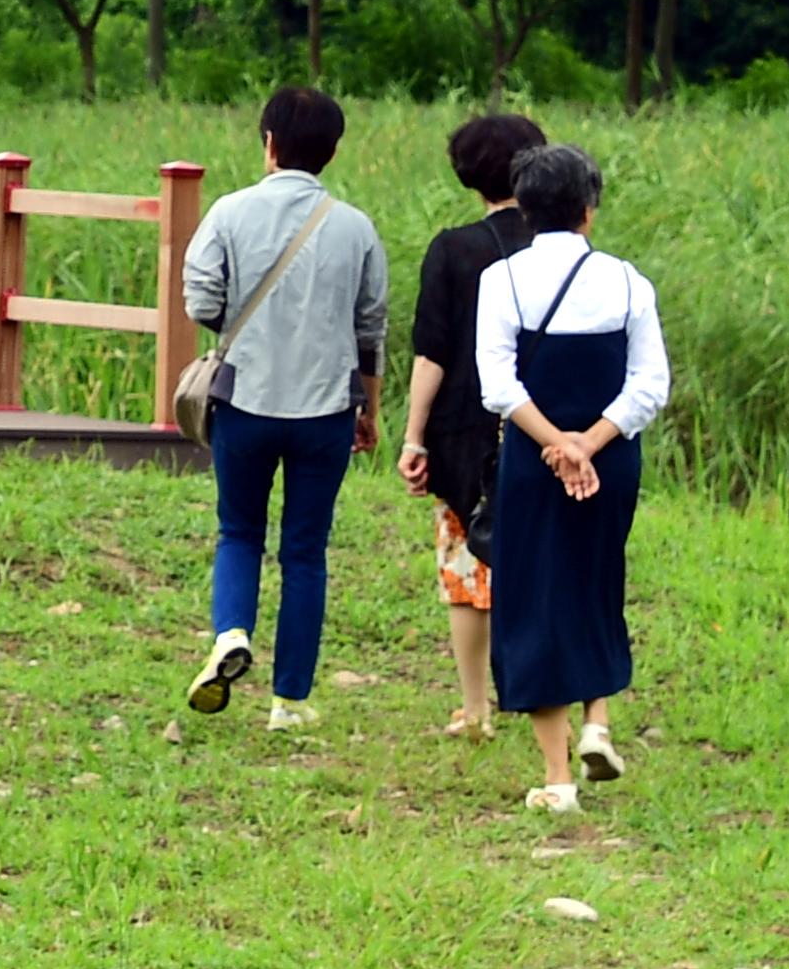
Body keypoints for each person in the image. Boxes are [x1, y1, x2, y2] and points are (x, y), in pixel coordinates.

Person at [179, 86, 388, 731]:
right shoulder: (355, 227)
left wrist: (238, 329)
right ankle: (289, 700)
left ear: (268, 142)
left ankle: (231, 633)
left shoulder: (229, 211)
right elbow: (371, 326)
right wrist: (369, 410)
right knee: (305, 550)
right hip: (326, 409)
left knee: (239, 530)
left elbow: (199, 300)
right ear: (331, 151)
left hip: (245, 398)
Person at [475, 142, 668, 813]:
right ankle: (600, 722)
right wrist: (590, 442)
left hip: (534, 459)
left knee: (532, 597)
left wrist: (557, 443)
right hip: (611, 461)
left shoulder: (500, 281)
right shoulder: (627, 282)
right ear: (589, 209)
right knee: (596, 578)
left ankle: (557, 778)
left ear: (525, 210)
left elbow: (497, 381)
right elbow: (651, 384)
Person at [395, 111, 547, 740]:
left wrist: (413, 436)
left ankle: (476, 707)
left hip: (465, 432)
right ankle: (548, 695)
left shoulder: (453, 250)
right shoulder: (556, 248)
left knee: (467, 568)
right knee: (541, 565)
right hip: (550, 429)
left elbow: (432, 352)